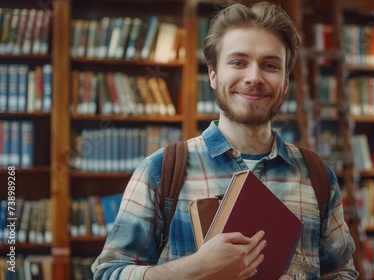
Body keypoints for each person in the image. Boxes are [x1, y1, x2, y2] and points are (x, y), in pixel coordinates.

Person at [92, 2, 358, 279]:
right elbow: (108, 273)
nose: (254, 77)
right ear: (213, 74)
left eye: (269, 65)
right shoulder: (161, 171)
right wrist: (195, 268)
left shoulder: (317, 175)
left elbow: (341, 271)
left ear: (286, 82)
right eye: (238, 62)